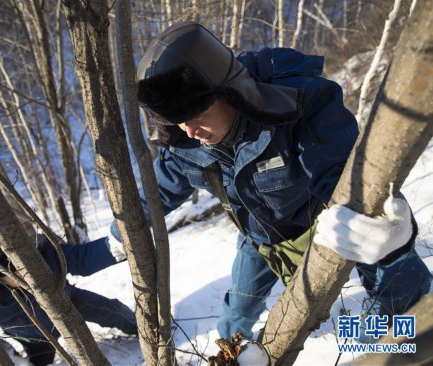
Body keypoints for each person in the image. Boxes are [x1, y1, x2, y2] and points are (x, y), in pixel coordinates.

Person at [109, 20, 431, 345]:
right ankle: (234, 352)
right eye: (178, 122)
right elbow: (159, 192)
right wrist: (114, 235)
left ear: (229, 92)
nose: (190, 131)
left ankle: (380, 335)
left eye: (196, 115)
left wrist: (385, 238)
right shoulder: (185, 143)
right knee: (236, 314)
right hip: (258, 240)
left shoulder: (297, 104)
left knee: (395, 301)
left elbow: (342, 176)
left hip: (320, 222)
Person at [0, 229, 137, 366]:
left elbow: (82, 257)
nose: (22, 271)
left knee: (115, 311)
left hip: (69, 304)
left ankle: (143, 328)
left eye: (23, 260)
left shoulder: (44, 255)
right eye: (10, 269)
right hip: (35, 339)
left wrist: (115, 246)